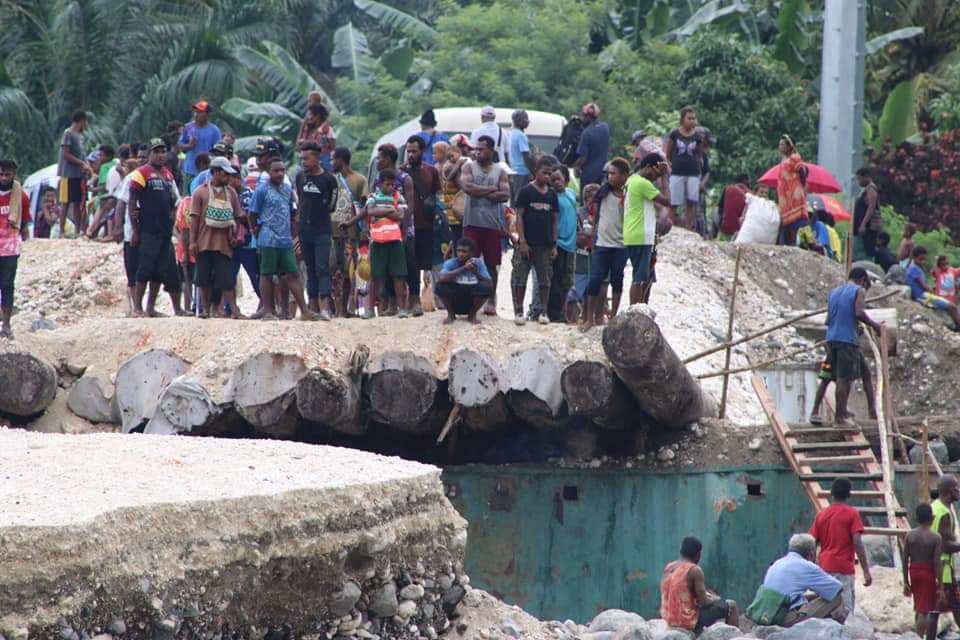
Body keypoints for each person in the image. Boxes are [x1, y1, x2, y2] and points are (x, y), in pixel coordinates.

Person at [809, 268, 883, 427]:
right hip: (847, 341)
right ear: (863, 280)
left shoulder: (834, 292)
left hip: (832, 339)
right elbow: (858, 312)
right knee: (844, 378)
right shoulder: (859, 290)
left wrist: (855, 328)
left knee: (831, 376)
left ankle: (815, 412)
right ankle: (840, 417)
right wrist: (875, 326)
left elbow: (830, 319)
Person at [248, 157, 316, 321]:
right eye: (275, 170)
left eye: (282, 170)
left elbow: (292, 211)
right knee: (266, 274)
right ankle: (268, 310)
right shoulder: (261, 190)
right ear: (269, 172)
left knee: (292, 273)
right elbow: (252, 213)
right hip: (268, 238)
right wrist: (255, 230)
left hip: (285, 239)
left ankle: (304, 311)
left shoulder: (287, 189)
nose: (279, 173)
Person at [342, 168, 409, 319]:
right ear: (380, 184)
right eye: (388, 185)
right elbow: (369, 212)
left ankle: (402, 308)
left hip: (395, 241)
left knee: (399, 275)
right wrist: (390, 211)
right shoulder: (373, 197)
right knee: (375, 276)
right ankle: (370, 309)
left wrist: (382, 211)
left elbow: (401, 215)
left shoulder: (399, 197)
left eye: (393, 185)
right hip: (378, 241)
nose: (391, 188)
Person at [129, 139, 184, 318]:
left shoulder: (168, 175)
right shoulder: (140, 174)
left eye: (163, 151)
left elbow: (176, 200)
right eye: (156, 152)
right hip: (148, 230)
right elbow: (132, 204)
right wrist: (135, 231)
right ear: (150, 154)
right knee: (145, 268)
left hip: (165, 231)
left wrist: (174, 216)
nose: (160, 155)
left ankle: (155, 308)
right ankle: (137, 307)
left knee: (164, 270)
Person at [808, 478, 872, 618]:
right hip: (843, 569)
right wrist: (866, 571)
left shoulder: (821, 515)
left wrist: (813, 567)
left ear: (831, 493)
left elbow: (812, 542)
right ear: (849, 495)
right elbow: (857, 542)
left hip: (824, 568)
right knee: (845, 611)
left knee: (824, 608)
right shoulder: (852, 513)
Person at [461, 136, 511, 316]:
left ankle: (491, 299)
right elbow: (467, 188)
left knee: (492, 264)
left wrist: (480, 191)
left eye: (481, 149)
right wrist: (491, 190)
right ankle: (469, 299)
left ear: (491, 150)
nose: (477, 152)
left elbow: (505, 194)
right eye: (476, 149)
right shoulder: (469, 167)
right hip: (472, 223)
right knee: (468, 262)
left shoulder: (500, 171)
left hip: (492, 225)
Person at [188, 157, 241, 318]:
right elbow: (194, 218)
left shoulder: (231, 193)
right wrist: (192, 241)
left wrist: (234, 234)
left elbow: (236, 216)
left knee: (226, 278)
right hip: (204, 242)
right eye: (225, 174)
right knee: (203, 278)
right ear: (216, 172)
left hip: (224, 243)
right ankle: (205, 309)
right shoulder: (200, 192)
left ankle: (232, 309)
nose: (228, 177)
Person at [582, 158, 630, 331]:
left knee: (617, 280)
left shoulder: (628, 194)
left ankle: (613, 318)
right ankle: (589, 319)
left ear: (625, 175)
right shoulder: (603, 193)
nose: (610, 177)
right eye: (609, 173)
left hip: (621, 246)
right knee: (595, 280)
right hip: (602, 244)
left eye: (614, 173)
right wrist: (593, 236)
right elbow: (596, 217)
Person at [512, 156, 559, 326]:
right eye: (544, 173)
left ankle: (543, 311)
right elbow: (519, 216)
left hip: (545, 244)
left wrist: (554, 244)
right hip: (527, 243)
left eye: (549, 173)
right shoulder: (526, 191)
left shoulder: (552, 195)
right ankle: (518, 311)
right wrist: (522, 241)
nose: (547, 176)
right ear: (535, 172)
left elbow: (555, 220)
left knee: (544, 279)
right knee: (520, 278)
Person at [759, 534, 845, 626]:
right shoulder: (805, 565)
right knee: (836, 597)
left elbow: (787, 596)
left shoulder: (777, 563)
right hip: (783, 619)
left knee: (816, 596)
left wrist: (815, 595)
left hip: (766, 615)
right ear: (811, 553)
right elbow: (837, 587)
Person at [660, 537, 739, 635]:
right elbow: (705, 602)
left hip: (669, 619)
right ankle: (736, 637)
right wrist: (715, 598)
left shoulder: (669, 567)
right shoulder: (694, 570)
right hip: (687, 621)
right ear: (698, 555)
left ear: (681, 552)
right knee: (731, 605)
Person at [296, 142, 338, 320]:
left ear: (317, 158)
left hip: (322, 230)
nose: (303, 162)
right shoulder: (300, 178)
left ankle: (325, 309)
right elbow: (300, 202)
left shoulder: (329, 180)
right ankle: (311, 309)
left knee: (323, 269)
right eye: (301, 159)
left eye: (306, 158)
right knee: (310, 268)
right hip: (305, 231)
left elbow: (332, 205)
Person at [624, 154, 671, 306]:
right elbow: (667, 201)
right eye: (657, 173)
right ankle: (634, 310)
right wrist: (665, 178)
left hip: (633, 233)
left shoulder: (631, 180)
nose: (657, 178)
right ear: (649, 167)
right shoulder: (642, 183)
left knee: (643, 276)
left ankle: (638, 308)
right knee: (639, 278)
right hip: (640, 235)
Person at [404, 135, 441, 316]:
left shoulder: (432, 172)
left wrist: (432, 206)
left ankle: (427, 298)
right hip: (408, 225)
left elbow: (436, 193)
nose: (410, 154)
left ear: (422, 151)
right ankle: (412, 300)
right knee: (409, 262)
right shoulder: (402, 172)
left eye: (414, 151)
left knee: (425, 262)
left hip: (426, 224)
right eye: (408, 151)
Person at [331, 146, 368, 318]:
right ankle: (334, 308)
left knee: (348, 272)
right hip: (331, 233)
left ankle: (345, 308)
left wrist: (352, 223)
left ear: (341, 160)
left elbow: (366, 207)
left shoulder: (359, 180)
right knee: (332, 271)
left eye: (334, 159)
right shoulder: (331, 179)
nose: (332, 163)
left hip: (350, 234)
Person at [115, 149, 149, 315]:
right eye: (140, 157)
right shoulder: (130, 178)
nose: (142, 160)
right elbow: (121, 204)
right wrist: (117, 227)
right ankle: (135, 307)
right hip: (131, 233)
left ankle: (143, 307)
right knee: (132, 272)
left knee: (146, 271)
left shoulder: (160, 177)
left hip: (150, 234)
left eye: (145, 157)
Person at [0, 159, 31, 339]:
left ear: (14, 175)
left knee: (7, 286)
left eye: (8, 174)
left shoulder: (21, 197)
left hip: (10, 248)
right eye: (1, 174)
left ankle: (7, 325)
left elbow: (24, 220)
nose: (4, 178)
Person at [902, 503, 942, 639]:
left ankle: (916, 636)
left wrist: (906, 581)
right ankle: (918, 637)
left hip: (914, 571)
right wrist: (940, 584)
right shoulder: (936, 537)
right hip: (927, 573)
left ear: (916, 518)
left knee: (918, 605)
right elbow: (937, 563)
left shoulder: (909, 535)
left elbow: (904, 558)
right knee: (924, 610)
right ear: (932, 518)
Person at [928, 475, 960, 637]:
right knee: (935, 610)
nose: (959, 491)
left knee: (956, 603)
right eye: (956, 488)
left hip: (939, 566)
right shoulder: (944, 513)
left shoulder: (935, 507)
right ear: (949, 490)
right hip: (942, 568)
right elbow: (946, 545)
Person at [436, 237, 492, 324]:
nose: (460, 254)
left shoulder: (478, 263)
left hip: (471, 300)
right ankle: (451, 314)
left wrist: (476, 272)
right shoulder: (451, 262)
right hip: (455, 299)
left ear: (471, 253)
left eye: (464, 251)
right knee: (440, 286)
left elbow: (489, 283)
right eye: (459, 251)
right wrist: (464, 269)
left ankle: (472, 315)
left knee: (486, 287)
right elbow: (441, 278)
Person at [664, 107, 703, 229]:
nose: (692, 121)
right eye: (689, 118)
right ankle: (669, 227)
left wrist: (699, 171)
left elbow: (699, 155)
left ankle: (689, 227)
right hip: (677, 172)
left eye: (693, 118)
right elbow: (668, 153)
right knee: (674, 202)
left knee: (691, 201)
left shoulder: (697, 137)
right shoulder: (675, 134)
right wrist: (670, 167)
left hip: (693, 172)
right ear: (682, 119)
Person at [548, 165, 577, 322]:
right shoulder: (551, 197)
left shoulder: (571, 194)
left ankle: (564, 312)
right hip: (558, 243)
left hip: (571, 243)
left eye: (559, 179)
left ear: (566, 180)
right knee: (556, 280)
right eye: (553, 180)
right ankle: (554, 314)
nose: (556, 182)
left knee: (567, 281)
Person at [907, 246, 960, 331]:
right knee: (952, 307)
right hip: (923, 296)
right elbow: (923, 285)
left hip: (923, 295)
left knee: (952, 306)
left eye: (924, 259)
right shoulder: (914, 269)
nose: (923, 262)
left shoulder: (914, 267)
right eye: (920, 259)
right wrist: (934, 293)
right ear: (914, 257)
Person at [57, 110, 92, 238]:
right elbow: (66, 154)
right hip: (68, 173)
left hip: (79, 174)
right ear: (81, 121)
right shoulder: (68, 133)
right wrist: (81, 163)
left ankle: (77, 230)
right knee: (65, 202)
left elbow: (82, 155)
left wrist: (87, 165)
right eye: (86, 121)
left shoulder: (81, 136)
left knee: (78, 201)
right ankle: (61, 231)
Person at [178, 100, 222, 193]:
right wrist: (189, 146)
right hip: (189, 170)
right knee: (188, 197)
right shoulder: (188, 127)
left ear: (207, 114)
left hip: (207, 171)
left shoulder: (215, 131)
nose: (196, 114)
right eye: (195, 112)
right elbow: (179, 147)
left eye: (200, 112)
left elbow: (218, 151)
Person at [776, 134, 808, 246]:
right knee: (786, 226)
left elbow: (802, 172)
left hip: (793, 196)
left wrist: (800, 188)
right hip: (785, 198)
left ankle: (792, 246)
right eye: (779, 145)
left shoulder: (794, 157)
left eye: (782, 145)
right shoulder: (784, 160)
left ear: (789, 146)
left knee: (793, 227)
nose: (780, 147)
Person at [574, 103, 610, 195]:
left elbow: (583, 158)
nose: (582, 118)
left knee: (587, 202)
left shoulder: (586, 133)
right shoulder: (605, 128)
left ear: (588, 117)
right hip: (603, 174)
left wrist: (576, 167)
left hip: (589, 176)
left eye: (583, 116)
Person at [441, 139, 469, 246]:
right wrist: (458, 164)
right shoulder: (451, 167)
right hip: (456, 209)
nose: (451, 158)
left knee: (456, 238)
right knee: (459, 239)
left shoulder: (450, 165)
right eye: (449, 156)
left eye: (452, 156)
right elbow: (463, 186)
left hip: (453, 208)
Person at [297, 102, 336, 171]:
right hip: (306, 163)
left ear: (317, 116)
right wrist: (302, 126)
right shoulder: (307, 130)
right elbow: (298, 147)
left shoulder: (327, 130)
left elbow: (333, 148)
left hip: (323, 163)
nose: (308, 117)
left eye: (310, 114)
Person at [509, 110, 536, 205]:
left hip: (513, 172)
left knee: (514, 202)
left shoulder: (512, 133)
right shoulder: (521, 135)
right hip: (522, 173)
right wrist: (534, 172)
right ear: (519, 120)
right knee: (522, 202)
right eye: (526, 119)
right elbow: (526, 156)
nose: (528, 121)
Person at [853, 167, 881, 260]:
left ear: (867, 177)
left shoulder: (871, 190)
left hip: (867, 229)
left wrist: (863, 224)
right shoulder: (865, 190)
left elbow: (871, 207)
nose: (859, 182)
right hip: (860, 227)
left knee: (865, 252)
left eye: (860, 179)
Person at [718, 174, 750, 241]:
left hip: (725, 229)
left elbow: (720, 207)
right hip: (741, 231)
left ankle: (714, 234)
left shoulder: (728, 189)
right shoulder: (750, 194)